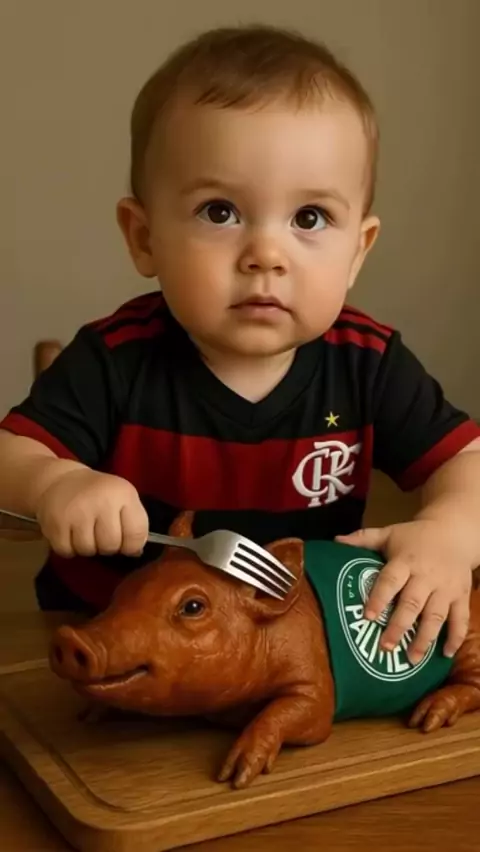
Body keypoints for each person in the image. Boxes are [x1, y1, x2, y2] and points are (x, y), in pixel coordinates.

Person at [1, 24, 479, 666]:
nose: (266, 255)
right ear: (144, 237)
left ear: (357, 252)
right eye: (220, 211)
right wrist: (56, 483)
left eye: (309, 218)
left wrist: (450, 531)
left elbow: (467, 461)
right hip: (112, 643)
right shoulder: (115, 359)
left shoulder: (368, 364)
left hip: (292, 647)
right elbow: (9, 458)